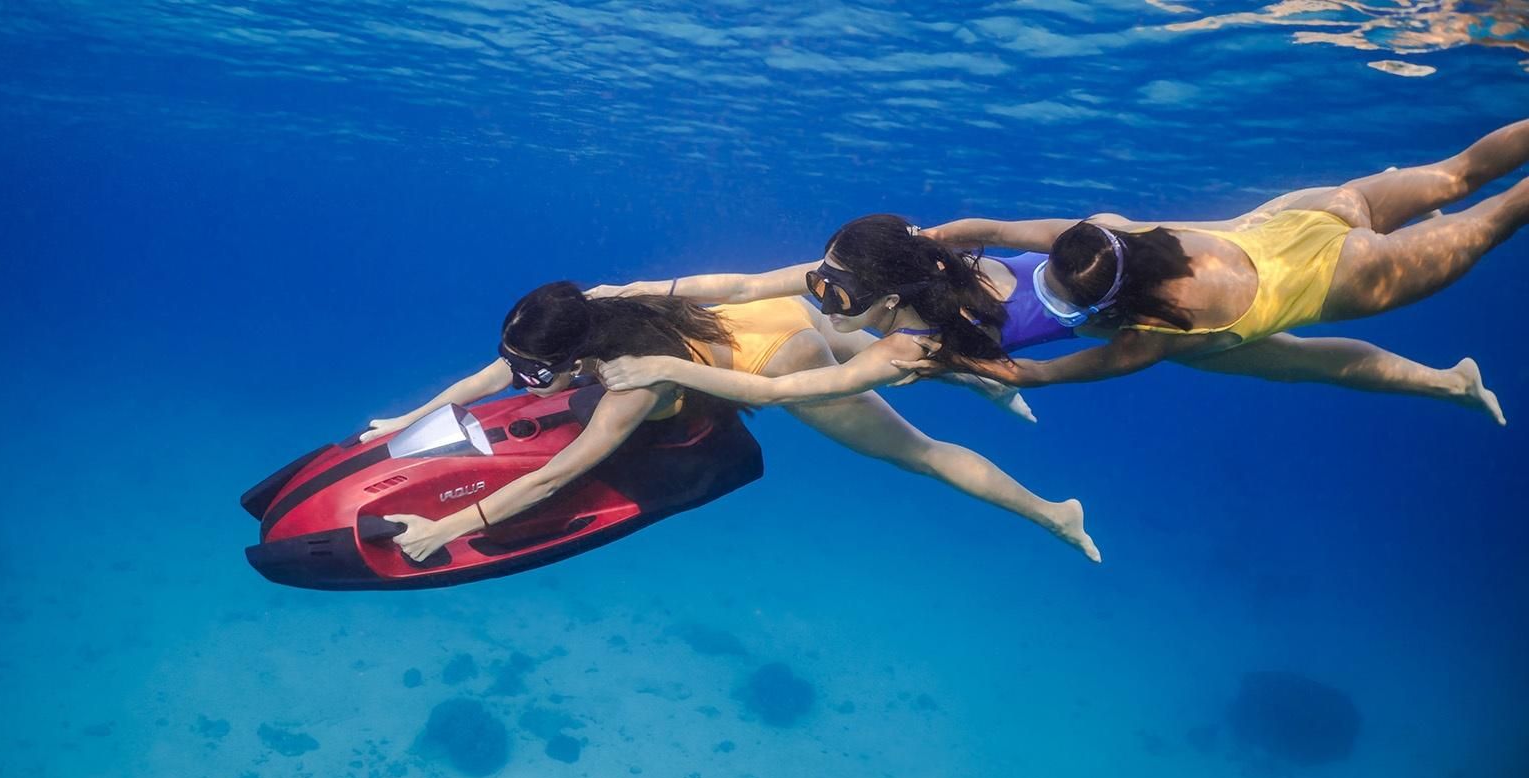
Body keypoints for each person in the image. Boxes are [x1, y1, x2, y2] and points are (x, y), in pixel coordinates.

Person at [365, 282, 1100, 563]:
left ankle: (1054, 513)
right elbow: (492, 373)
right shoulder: (590, 308)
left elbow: (561, 473)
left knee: (919, 454)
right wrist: (412, 415)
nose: (520, 382)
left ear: (578, 352)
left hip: (778, 356)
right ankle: (986, 379)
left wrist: (444, 529)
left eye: (535, 371)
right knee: (893, 351)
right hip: (758, 315)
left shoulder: (631, 383)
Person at [887, 119, 1525, 425]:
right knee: (1461, 170)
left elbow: (1034, 374)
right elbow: (997, 230)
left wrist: (949, 360)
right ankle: (1451, 381)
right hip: (1314, 212)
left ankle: (1451, 384)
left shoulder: (1153, 336)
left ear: (1108, 307)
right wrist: (930, 238)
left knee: (1501, 216)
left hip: (1350, 276)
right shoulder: (1107, 235)